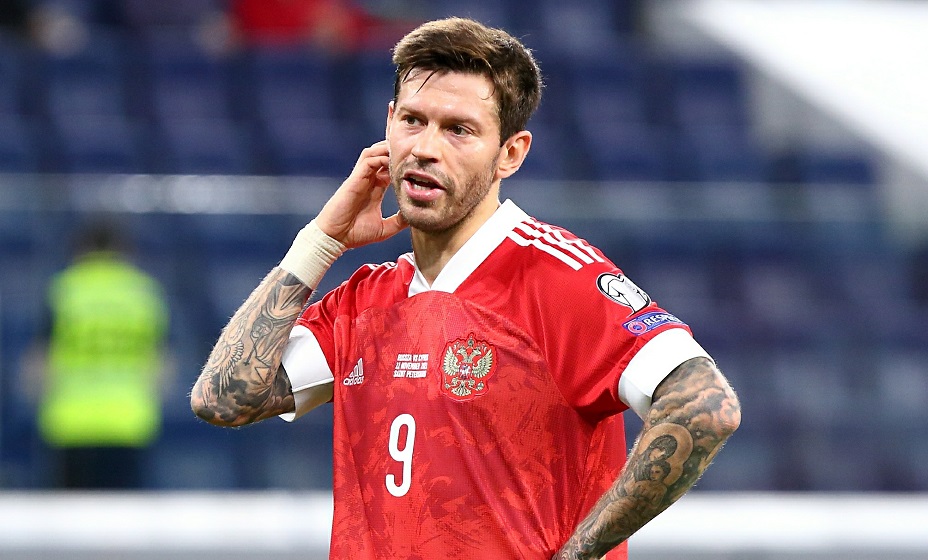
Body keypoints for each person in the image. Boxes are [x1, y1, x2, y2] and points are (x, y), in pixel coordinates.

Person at [191, 17, 740, 559]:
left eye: (458, 129)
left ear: (511, 153)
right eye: (413, 120)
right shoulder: (365, 301)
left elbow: (706, 407)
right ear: (388, 123)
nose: (425, 148)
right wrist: (320, 242)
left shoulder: (556, 276)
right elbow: (222, 400)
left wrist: (579, 553)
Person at [38, 219, 170, 489]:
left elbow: (40, 362)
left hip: (70, 423)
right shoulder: (144, 292)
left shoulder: (64, 289)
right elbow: (162, 363)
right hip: (129, 421)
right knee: (123, 511)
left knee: (72, 511)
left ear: (80, 249)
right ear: (124, 250)